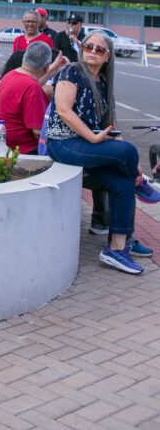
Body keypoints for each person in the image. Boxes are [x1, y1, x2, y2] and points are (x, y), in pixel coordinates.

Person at [45, 30, 160, 274]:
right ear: (82, 49)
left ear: (108, 56)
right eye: (88, 47)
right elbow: (64, 111)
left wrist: (130, 164)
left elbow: (111, 125)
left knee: (123, 184)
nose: (92, 52)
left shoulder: (104, 82)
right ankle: (140, 184)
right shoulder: (71, 71)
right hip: (64, 143)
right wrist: (93, 136)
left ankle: (117, 248)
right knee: (128, 152)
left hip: (89, 145)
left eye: (99, 49)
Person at [0, 41, 53, 154]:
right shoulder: (32, 87)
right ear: (46, 67)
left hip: (4, 143)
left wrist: (51, 71)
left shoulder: (10, 74)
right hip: (24, 149)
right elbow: (38, 131)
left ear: (25, 58)